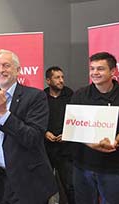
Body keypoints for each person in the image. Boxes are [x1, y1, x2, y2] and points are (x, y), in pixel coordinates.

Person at [0, 49, 57, 204]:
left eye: (6, 65)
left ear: (18, 70)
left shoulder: (36, 97)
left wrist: (4, 114)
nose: (1, 70)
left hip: (27, 181)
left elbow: (32, 138)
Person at [70, 52, 119, 204]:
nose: (94, 73)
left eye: (100, 69)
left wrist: (114, 140)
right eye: (92, 68)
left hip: (115, 169)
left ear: (113, 71)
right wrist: (91, 143)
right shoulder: (80, 95)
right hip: (82, 166)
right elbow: (72, 127)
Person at [44, 66, 75, 204]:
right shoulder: (41, 97)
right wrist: (44, 132)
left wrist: (67, 133)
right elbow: (36, 119)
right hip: (46, 150)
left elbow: (77, 119)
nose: (61, 80)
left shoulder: (71, 95)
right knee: (44, 186)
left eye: (62, 77)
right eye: (57, 77)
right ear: (48, 80)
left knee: (70, 186)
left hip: (66, 149)